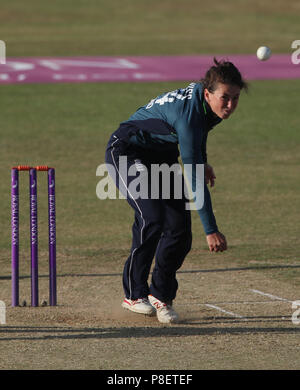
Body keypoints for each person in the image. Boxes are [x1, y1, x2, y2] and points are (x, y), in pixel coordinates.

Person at [105, 58, 248, 324]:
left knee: (179, 231)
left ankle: (160, 296)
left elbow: (196, 134)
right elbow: (194, 165)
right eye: (225, 98)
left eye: (236, 98)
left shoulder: (204, 104)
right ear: (208, 93)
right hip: (126, 152)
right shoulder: (189, 114)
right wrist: (211, 230)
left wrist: (201, 161)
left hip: (161, 156)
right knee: (152, 217)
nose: (230, 105)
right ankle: (134, 294)